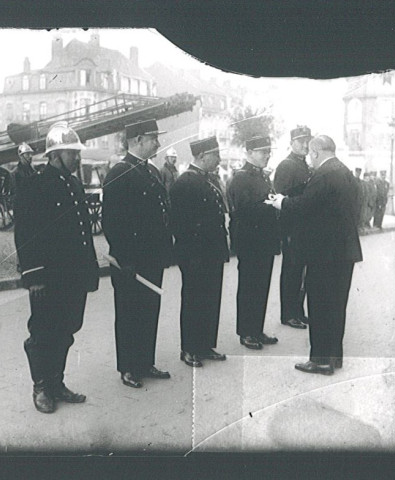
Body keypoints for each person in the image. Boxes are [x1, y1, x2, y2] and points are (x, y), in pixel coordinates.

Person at [13, 122, 99, 414]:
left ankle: (56, 382)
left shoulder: (73, 184)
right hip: (48, 277)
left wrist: (90, 269)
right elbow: (24, 233)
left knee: (67, 329)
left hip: (73, 274)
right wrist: (33, 275)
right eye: (71, 153)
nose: (77, 158)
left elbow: (83, 230)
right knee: (43, 332)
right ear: (55, 155)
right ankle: (41, 387)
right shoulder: (35, 184)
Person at [266, 135, 362, 375]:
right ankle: (334, 357)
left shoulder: (324, 174)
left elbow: (306, 205)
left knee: (319, 306)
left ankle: (319, 360)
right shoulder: (346, 173)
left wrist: (282, 202)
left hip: (324, 254)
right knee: (337, 306)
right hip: (345, 252)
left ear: (317, 152)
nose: (309, 158)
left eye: (310, 154)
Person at [102, 119, 173, 389]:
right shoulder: (119, 173)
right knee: (129, 313)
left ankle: (145, 362)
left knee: (149, 310)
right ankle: (128, 367)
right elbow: (113, 223)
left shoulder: (151, 172)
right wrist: (125, 260)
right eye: (153, 138)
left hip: (151, 259)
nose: (158, 143)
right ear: (138, 140)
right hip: (129, 261)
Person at [170, 136, 229, 368]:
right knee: (194, 300)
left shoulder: (208, 180)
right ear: (202, 156)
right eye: (215, 155)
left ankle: (205, 345)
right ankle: (189, 348)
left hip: (212, 251)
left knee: (211, 299)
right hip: (194, 254)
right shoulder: (185, 182)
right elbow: (179, 223)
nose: (219, 159)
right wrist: (191, 253)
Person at [226, 136, 280, 350]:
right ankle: (246, 332)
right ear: (249, 152)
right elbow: (243, 211)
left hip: (264, 240)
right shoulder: (241, 178)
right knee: (249, 287)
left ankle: (257, 329)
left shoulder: (263, 177)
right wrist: (272, 205)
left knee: (262, 285)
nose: (267, 155)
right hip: (250, 241)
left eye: (268, 151)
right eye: (262, 151)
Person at [273, 126, 312, 329]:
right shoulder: (287, 166)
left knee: (301, 271)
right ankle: (288, 314)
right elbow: (281, 199)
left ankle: (298, 311)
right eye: (301, 141)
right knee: (292, 271)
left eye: (307, 141)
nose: (305, 145)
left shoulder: (304, 165)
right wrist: (285, 231)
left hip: (304, 228)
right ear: (292, 143)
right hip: (292, 228)